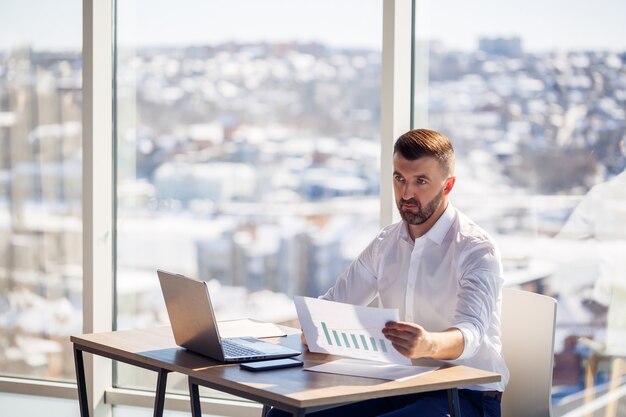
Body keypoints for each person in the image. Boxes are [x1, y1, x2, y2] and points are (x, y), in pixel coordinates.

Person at [268, 128, 509, 417]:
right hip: (400, 383)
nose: (406, 193)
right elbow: (336, 303)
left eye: (421, 181)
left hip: (467, 395)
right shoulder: (386, 243)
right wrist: (314, 326)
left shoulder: (476, 249)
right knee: (285, 413)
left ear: (447, 186)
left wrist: (427, 343)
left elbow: (470, 332)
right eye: (399, 179)